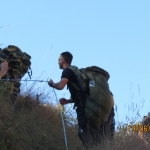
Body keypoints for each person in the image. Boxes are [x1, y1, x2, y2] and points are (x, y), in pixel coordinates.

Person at [48, 51, 115, 148]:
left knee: (84, 133)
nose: (58, 62)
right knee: (98, 136)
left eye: (59, 60)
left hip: (85, 108)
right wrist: (68, 101)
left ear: (62, 60)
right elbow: (83, 93)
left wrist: (52, 84)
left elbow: (60, 86)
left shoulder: (68, 71)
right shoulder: (78, 72)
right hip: (94, 108)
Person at [0, 45, 31, 110]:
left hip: (6, 85)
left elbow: (4, 69)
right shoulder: (9, 55)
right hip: (14, 85)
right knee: (10, 105)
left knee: (6, 105)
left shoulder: (2, 55)